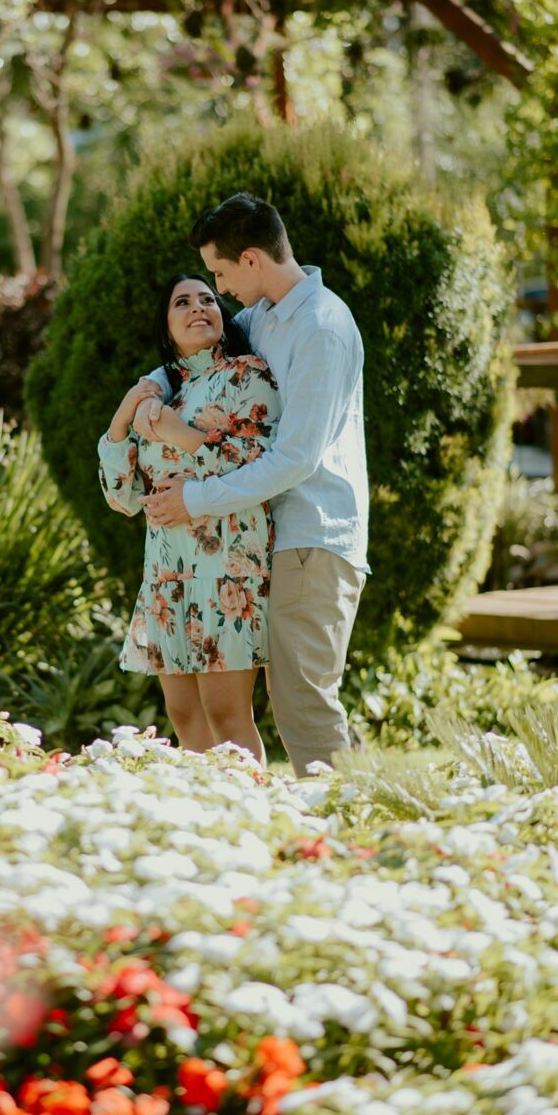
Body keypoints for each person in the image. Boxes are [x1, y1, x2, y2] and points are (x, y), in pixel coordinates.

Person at [138, 195, 368, 777]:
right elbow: (192, 353)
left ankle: (351, 821)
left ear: (250, 259)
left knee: (303, 699)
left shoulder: (321, 328)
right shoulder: (263, 315)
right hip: (271, 537)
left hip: (314, 535)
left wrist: (193, 499)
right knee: (287, 698)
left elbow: (295, 459)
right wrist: (149, 389)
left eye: (218, 274)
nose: (217, 290)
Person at [97, 272, 281, 765]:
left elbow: (259, 462)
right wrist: (123, 415)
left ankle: (253, 805)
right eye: (182, 302)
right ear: (166, 324)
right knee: (182, 712)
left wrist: (179, 435)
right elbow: (121, 495)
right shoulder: (162, 395)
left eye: (207, 299)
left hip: (227, 562)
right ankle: (206, 806)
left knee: (225, 711)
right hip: (167, 571)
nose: (199, 307)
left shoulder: (248, 375)